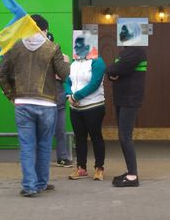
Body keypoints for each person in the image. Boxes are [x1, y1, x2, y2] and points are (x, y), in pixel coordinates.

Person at [0, 14, 70, 197]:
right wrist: (66, 63)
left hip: (22, 103)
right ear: (44, 30)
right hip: (47, 104)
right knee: (44, 145)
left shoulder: (15, 47)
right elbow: (64, 74)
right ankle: (41, 183)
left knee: (27, 146)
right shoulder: (53, 48)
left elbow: (1, 73)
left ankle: (29, 186)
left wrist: (10, 95)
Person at [106, 39, 147, 187]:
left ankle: (133, 176)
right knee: (123, 136)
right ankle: (130, 171)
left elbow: (114, 68)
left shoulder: (136, 51)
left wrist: (113, 71)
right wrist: (112, 72)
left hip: (130, 100)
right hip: (121, 99)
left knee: (125, 136)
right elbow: (113, 70)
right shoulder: (125, 52)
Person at [65, 36, 106, 181]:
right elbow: (67, 80)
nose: (77, 48)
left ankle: (99, 168)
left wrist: (76, 96)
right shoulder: (74, 63)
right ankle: (81, 168)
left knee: (96, 137)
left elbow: (94, 84)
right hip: (75, 108)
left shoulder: (97, 62)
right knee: (80, 138)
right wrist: (69, 94)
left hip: (93, 106)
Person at [47, 32, 73, 168]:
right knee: (44, 131)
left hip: (60, 98)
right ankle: (41, 159)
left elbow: (66, 77)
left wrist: (65, 66)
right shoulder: (39, 57)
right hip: (46, 100)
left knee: (60, 130)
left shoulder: (61, 57)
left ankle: (62, 158)